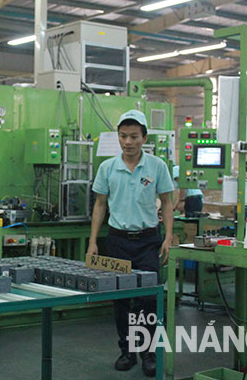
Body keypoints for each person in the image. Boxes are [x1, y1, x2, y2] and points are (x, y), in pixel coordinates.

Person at [87, 110, 174, 378]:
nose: (128, 141)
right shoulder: (107, 168)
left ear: (144, 138)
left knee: (149, 299)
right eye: (123, 136)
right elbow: (100, 206)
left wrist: (168, 237)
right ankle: (127, 351)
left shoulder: (157, 166)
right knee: (122, 300)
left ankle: (149, 354)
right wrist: (93, 242)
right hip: (118, 242)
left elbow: (168, 203)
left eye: (134, 136)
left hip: (148, 241)